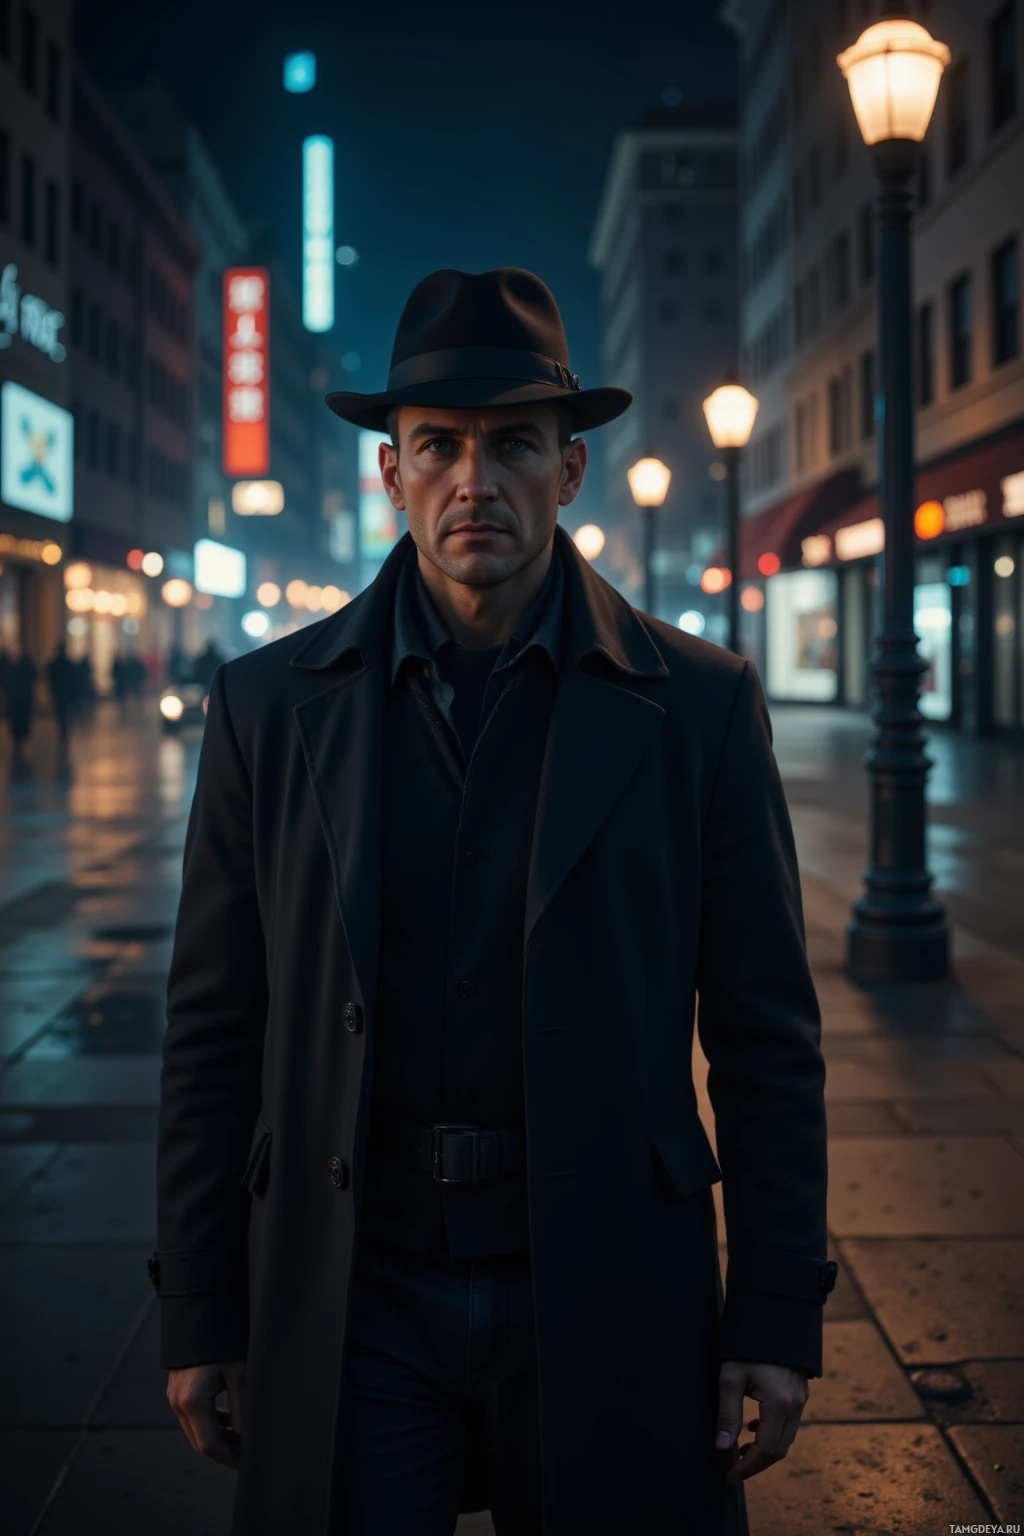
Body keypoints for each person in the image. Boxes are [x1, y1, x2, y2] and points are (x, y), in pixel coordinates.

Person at [152, 268, 835, 1536]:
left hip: (613, 1278)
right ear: (391, 475)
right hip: (357, 1284)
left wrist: (777, 1308)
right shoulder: (263, 709)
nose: (477, 481)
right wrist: (201, 1305)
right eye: (440, 447)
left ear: (568, 470)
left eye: (513, 444)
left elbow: (766, 1038)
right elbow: (212, 1028)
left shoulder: (698, 705)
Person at [3, 640, 37, 769]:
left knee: (22, 721)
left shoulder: (26, 664)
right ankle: (17, 741)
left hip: (23, 699)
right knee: (15, 722)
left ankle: (20, 741)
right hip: (14, 699)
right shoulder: (9, 665)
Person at [47, 641, 78, 748]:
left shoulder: (55, 664)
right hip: (63, 694)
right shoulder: (67, 664)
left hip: (59, 693)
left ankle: (62, 732)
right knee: (64, 714)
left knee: (61, 714)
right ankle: (63, 733)